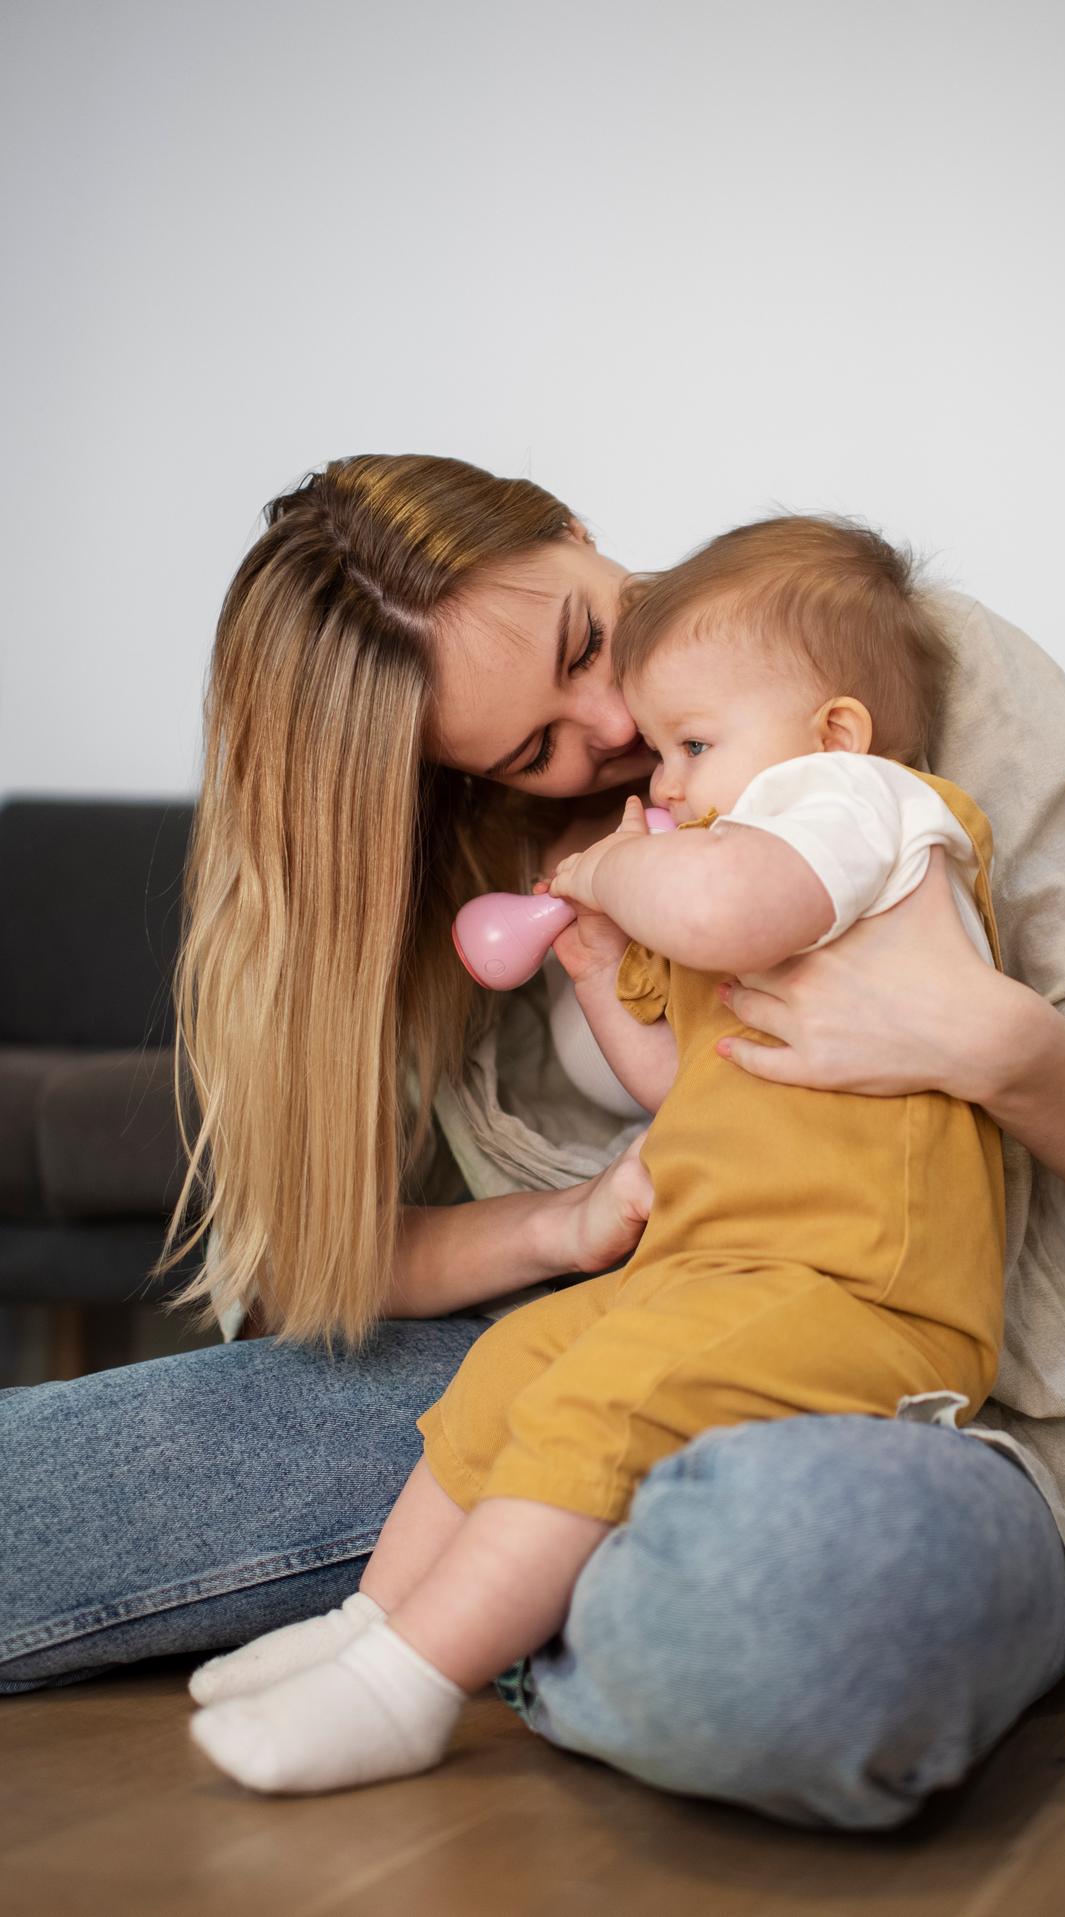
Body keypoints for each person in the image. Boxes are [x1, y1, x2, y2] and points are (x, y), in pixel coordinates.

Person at [0, 456, 1065, 1830]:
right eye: (532, 752)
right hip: (585, 1326)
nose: (615, 721)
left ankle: (461, 1640)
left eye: (590, 639)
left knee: (794, 1601)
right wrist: (563, 1224)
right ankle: (448, 1622)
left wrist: (993, 1042)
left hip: (888, 1377)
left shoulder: (857, 705)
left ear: (576, 528)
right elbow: (331, 1260)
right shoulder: (466, 855)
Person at [185, 516, 1011, 1794]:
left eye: (691, 744)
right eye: (540, 745)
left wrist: (618, 872)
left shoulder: (861, 809)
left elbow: (725, 905)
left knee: (604, 1397)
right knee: (515, 1360)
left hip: (859, 1285)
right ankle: (365, 1630)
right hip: (726, 1266)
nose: (653, 768)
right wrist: (594, 964)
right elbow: (690, 1090)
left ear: (833, 730)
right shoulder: (749, 853)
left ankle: (412, 1688)